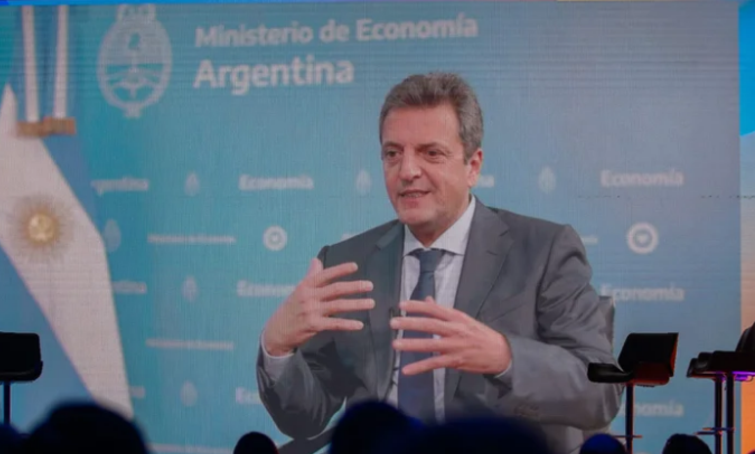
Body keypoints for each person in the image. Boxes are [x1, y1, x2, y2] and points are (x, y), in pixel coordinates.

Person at [256, 72, 622, 454]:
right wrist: (277, 348)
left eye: (431, 153)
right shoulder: (348, 263)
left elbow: (601, 392)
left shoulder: (544, 251)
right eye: (392, 154)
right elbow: (304, 418)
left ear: (472, 166)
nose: (407, 171)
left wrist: (504, 356)